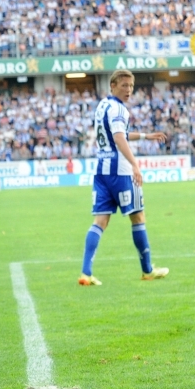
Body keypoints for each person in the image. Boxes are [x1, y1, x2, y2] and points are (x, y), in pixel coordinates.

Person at [78, 70, 169, 286]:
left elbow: (117, 134)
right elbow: (119, 137)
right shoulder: (119, 108)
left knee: (100, 221)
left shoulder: (103, 106)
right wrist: (136, 165)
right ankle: (147, 271)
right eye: (124, 85)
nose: (128, 90)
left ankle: (85, 273)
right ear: (113, 85)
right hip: (121, 171)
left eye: (131, 85)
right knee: (138, 217)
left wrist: (146, 135)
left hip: (102, 170)